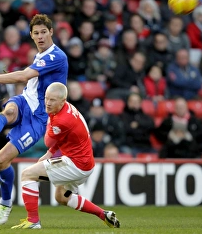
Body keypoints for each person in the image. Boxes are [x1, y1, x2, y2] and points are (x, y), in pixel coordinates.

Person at [0, 14, 68, 226]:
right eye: (36, 33)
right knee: (10, 111)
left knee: (2, 159)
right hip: (24, 100)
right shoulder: (40, 55)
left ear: (51, 32)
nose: (40, 37)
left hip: (39, 118)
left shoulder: (56, 56)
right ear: (31, 35)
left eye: (43, 32)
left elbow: (23, 76)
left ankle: (5, 205)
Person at [10, 82, 120, 229]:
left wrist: (48, 120)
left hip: (75, 164)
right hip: (85, 163)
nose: (48, 103)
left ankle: (33, 221)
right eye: (47, 98)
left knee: (27, 175)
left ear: (63, 101)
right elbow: (61, 138)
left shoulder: (61, 119)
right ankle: (103, 214)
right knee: (61, 197)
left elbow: (48, 141)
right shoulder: (67, 109)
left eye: (52, 100)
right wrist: (49, 154)